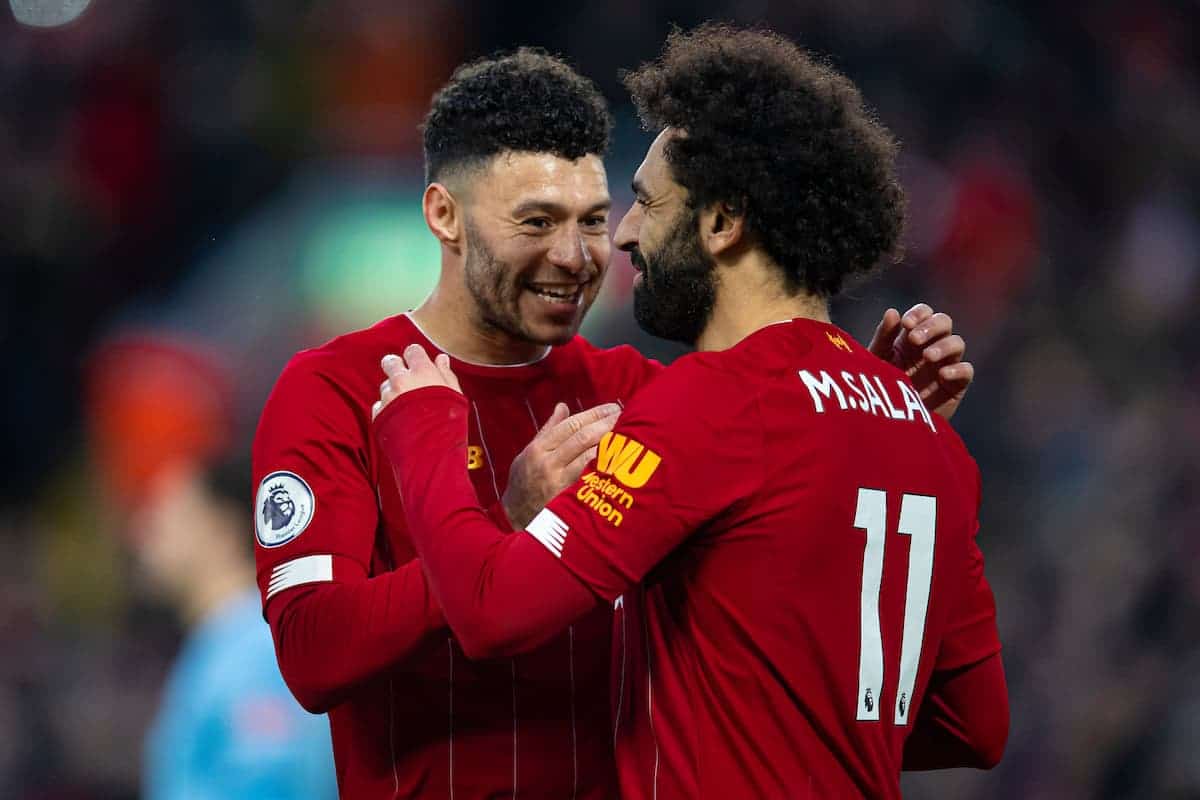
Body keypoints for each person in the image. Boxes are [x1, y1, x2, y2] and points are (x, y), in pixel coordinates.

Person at [253, 48, 975, 799]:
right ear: (445, 216)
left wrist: (868, 419)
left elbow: (787, 629)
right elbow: (313, 652)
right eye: (537, 222)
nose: (574, 256)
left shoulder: (642, 392)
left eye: (593, 220)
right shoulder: (336, 390)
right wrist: (504, 530)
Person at [86, 336, 337, 800]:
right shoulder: (222, 647)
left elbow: (269, 784)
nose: (143, 532)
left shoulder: (259, 653)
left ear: (219, 528)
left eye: (165, 511)